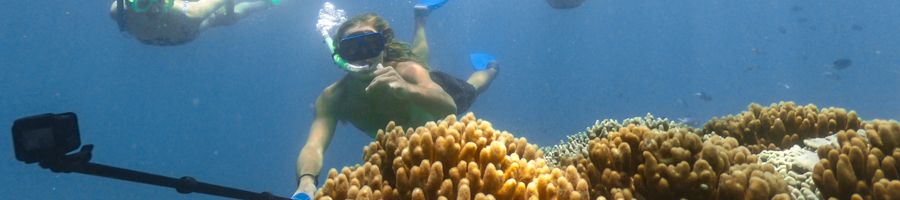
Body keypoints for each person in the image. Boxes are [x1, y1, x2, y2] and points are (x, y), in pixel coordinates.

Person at [292, 2, 499, 199]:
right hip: (405, 149)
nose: (363, 56)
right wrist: (306, 183)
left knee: (471, 88)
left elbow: (449, 107)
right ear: (340, 56)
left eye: (370, 45)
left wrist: (408, 89)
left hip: (429, 94)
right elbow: (313, 147)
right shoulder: (333, 98)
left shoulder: (408, 71)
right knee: (419, 58)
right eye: (352, 49)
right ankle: (421, 16)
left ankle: (491, 68)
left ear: (383, 47)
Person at [109, 0, 276, 46]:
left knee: (229, 16)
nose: (152, 13)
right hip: (185, 32)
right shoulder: (192, 14)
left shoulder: (119, 12)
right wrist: (230, 14)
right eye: (142, 3)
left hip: (170, 32)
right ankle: (269, 2)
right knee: (227, 17)